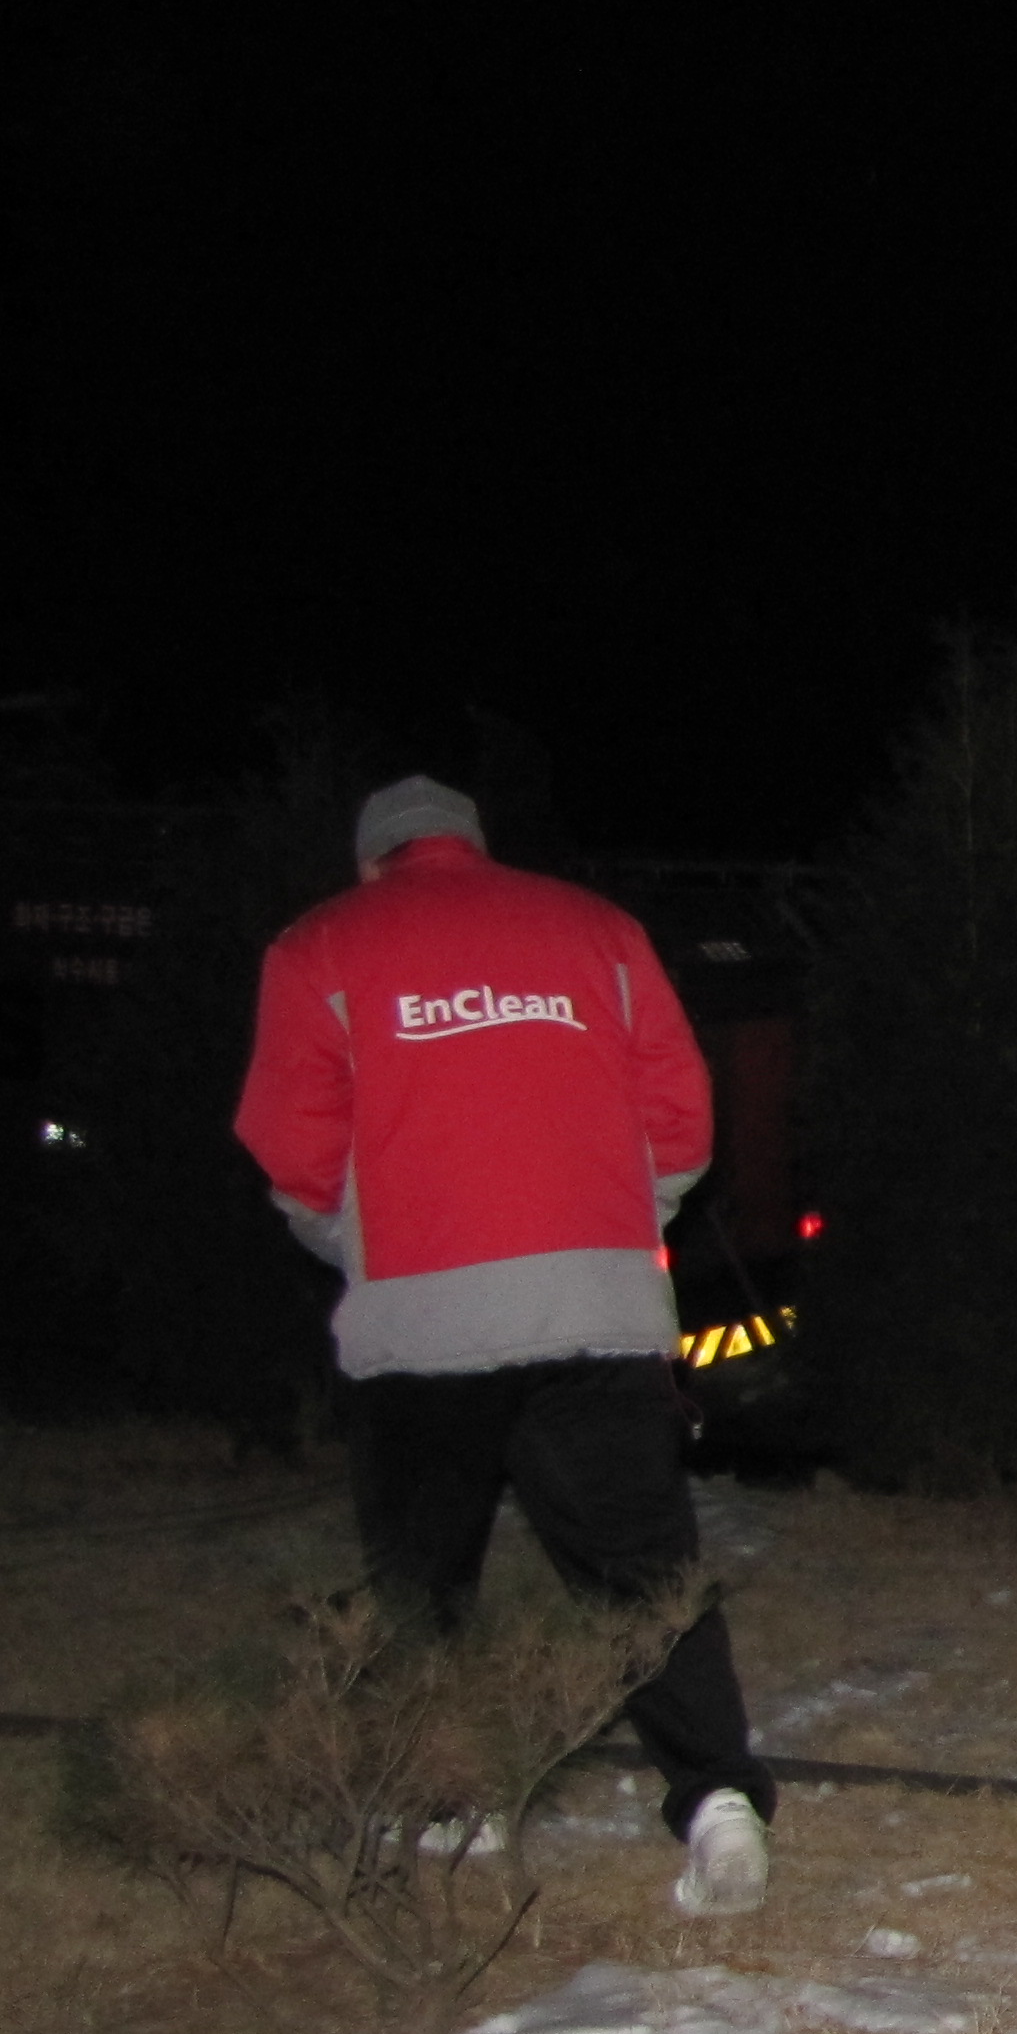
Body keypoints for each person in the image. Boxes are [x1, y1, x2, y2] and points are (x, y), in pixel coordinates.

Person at [233, 775, 780, 1916]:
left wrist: (356, 1244)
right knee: (643, 1574)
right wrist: (622, 1224)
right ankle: (719, 1801)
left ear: (373, 860)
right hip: (596, 1308)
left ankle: (452, 1805)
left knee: (424, 1580)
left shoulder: (317, 948)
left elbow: (292, 1147)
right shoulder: (600, 930)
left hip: (422, 1320)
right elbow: (682, 1120)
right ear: (472, 846)